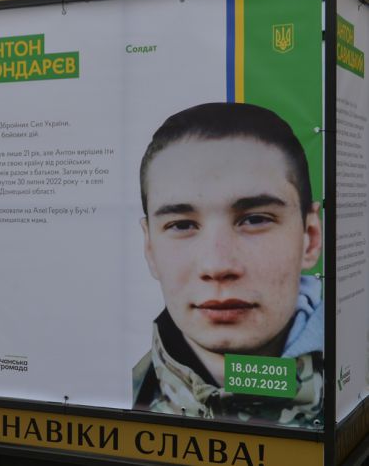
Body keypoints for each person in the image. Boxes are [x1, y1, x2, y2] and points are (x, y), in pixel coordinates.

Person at [133, 102, 323, 428]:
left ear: (310, 238)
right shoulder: (118, 397)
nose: (218, 265)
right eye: (181, 225)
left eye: (255, 219)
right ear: (150, 248)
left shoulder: (354, 381)